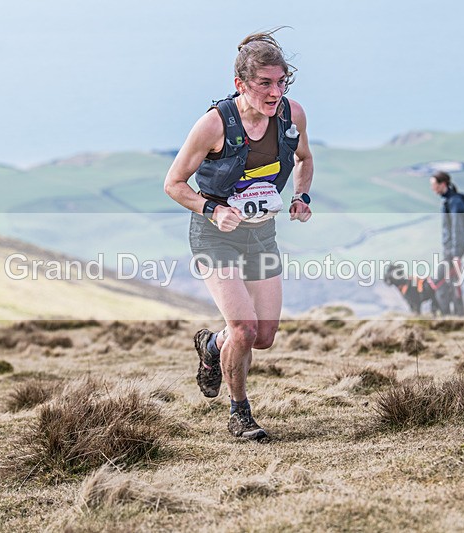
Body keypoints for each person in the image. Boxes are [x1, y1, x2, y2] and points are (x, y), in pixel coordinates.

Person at [164, 29, 313, 440]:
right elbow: (174, 184)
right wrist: (212, 209)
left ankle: (212, 347)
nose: (274, 91)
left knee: (262, 338)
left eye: (281, 81)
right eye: (264, 83)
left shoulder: (292, 115)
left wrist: (301, 195)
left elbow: (303, 159)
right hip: (215, 237)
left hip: (262, 236)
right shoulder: (213, 125)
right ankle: (240, 413)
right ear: (240, 85)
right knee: (244, 328)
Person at [429, 171, 464, 316]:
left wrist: (456, 254)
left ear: (442, 184)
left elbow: (457, 227)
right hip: (454, 249)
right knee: (453, 282)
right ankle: (459, 315)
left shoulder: (454, 202)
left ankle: (446, 315)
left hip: (452, 252)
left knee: (438, 282)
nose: (432, 188)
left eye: (434, 185)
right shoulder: (450, 201)